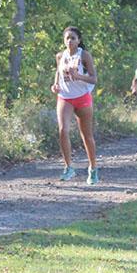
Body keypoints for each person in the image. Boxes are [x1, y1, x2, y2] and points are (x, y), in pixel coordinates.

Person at [51, 26, 99, 185]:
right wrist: (55, 85)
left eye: (73, 38)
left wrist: (78, 76)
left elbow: (93, 79)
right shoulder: (60, 56)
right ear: (64, 41)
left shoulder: (84, 55)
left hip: (82, 98)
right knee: (63, 130)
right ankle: (68, 167)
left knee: (86, 135)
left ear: (79, 40)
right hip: (65, 97)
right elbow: (58, 73)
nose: (70, 41)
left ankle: (92, 168)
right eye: (67, 38)